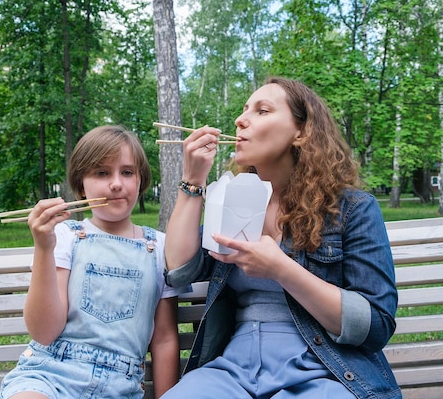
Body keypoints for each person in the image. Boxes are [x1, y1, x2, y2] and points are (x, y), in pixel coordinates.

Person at [162, 77, 402, 399]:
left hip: (322, 367)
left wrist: (281, 269)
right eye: (244, 109)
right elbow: (179, 268)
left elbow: (374, 325)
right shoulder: (235, 200)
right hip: (235, 368)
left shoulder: (351, 209)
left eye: (262, 110)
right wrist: (192, 180)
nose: (240, 119)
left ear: (301, 133)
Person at [0, 125, 184, 399]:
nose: (116, 183)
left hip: (121, 386)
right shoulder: (65, 237)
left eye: (127, 172)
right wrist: (43, 247)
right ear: (81, 186)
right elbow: (44, 332)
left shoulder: (158, 247)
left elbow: (165, 338)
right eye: (101, 172)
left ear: (140, 180)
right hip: (51, 372)